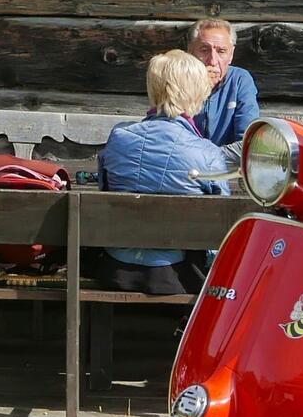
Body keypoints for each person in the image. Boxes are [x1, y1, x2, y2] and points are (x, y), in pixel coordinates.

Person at [94, 50, 228, 295]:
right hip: (178, 275)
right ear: (197, 91)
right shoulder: (207, 153)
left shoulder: (119, 138)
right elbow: (222, 227)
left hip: (115, 268)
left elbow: (104, 191)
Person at [184, 18, 261, 146]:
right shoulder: (178, 80)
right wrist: (199, 90)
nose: (213, 61)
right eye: (204, 50)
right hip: (185, 162)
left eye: (221, 51)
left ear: (231, 55)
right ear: (190, 52)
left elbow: (247, 141)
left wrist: (212, 158)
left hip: (227, 164)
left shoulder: (240, 80)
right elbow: (171, 134)